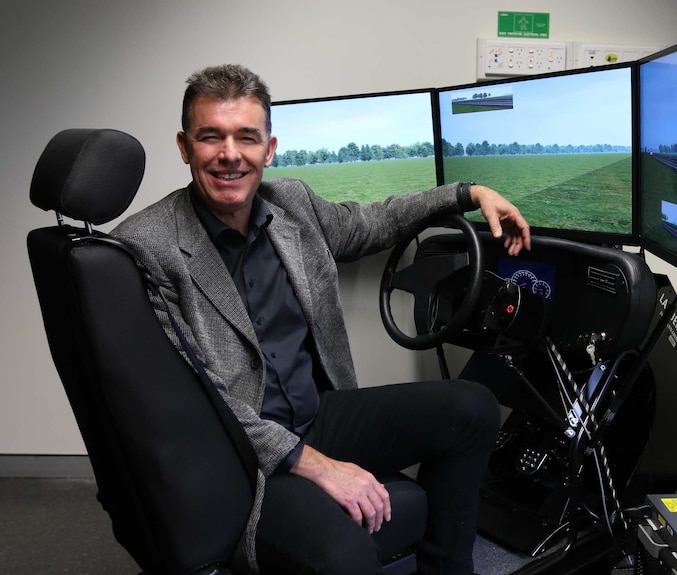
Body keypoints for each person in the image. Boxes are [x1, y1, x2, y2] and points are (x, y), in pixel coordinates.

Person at [112, 63, 531, 575]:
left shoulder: (292, 204)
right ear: (184, 147)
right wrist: (317, 467)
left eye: (247, 137)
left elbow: (375, 221)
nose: (229, 154)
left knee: (473, 407)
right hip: (245, 455)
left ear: (268, 148)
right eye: (210, 137)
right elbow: (196, 402)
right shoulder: (148, 246)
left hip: (318, 417)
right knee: (345, 556)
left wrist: (468, 193)